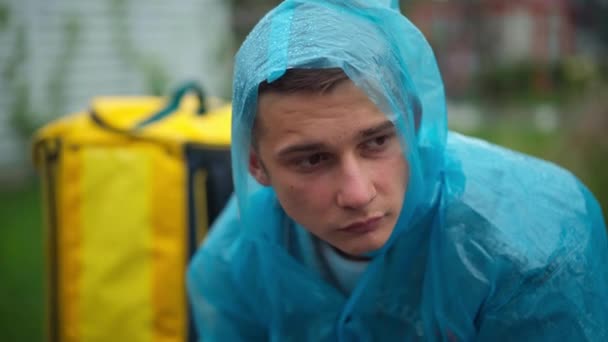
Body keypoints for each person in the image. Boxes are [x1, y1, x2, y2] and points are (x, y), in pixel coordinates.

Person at [187, 0, 608, 340]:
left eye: (376, 142)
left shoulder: (527, 250)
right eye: (312, 159)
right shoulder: (234, 264)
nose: (357, 194)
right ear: (256, 165)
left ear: (416, 123)